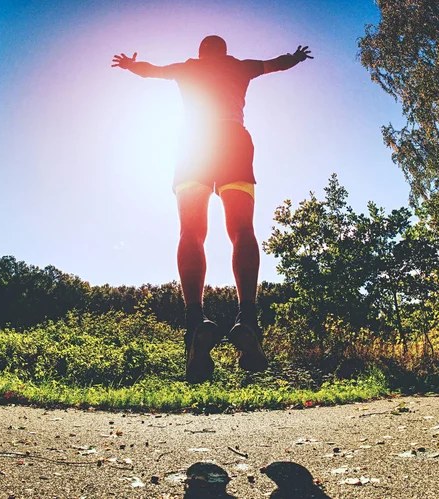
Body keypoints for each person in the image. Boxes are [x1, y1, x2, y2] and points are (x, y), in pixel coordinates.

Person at [112, 35, 312, 383]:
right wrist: (294, 58)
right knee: (242, 231)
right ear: (225, 52)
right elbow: (274, 64)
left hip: (194, 144)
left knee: (191, 232)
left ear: (200, 53)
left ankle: (195, 322)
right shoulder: (240, 67)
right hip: (234, 141)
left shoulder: (187, 69)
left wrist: (130, 66)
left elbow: (152, 71)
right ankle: (247, 317)